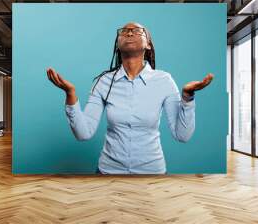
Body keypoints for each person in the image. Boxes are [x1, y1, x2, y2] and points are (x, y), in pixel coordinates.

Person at [47, 22, 213, 174]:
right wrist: (70, 95)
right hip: (108, 172)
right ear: (117, 45)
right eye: (124, 31)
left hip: (152, 173)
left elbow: (182, 135)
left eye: (137, 31)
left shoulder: (164, 80)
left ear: (148, 44)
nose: (129, 33)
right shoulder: (103, 82)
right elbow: (83, 133)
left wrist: (187, 98)